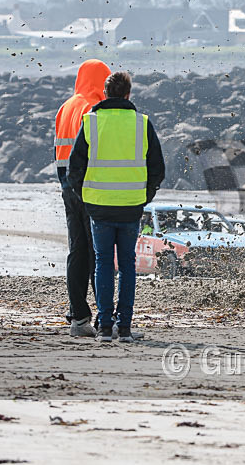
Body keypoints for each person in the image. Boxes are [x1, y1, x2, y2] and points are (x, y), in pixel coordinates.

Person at [67, 71, 165, 343]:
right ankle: (124, 328)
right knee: (127, 266)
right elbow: (157, 168)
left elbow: (75, 169)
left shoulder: (91, 122)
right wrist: (143, 195)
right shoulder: (141, 123)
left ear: (106, 93)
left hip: (98, 207)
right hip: (131, 206)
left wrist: (86, 196)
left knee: (102, 265)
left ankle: (105, 327)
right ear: (128, 94)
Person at [55, 59, 111, 337]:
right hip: (89, 187)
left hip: (67, 187)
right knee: (98, 253)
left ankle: (78, 315)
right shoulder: (92, 108)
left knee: (77, 250)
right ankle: (104, 317)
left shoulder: (65, 107)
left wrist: (67, 185)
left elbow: (60, 153)